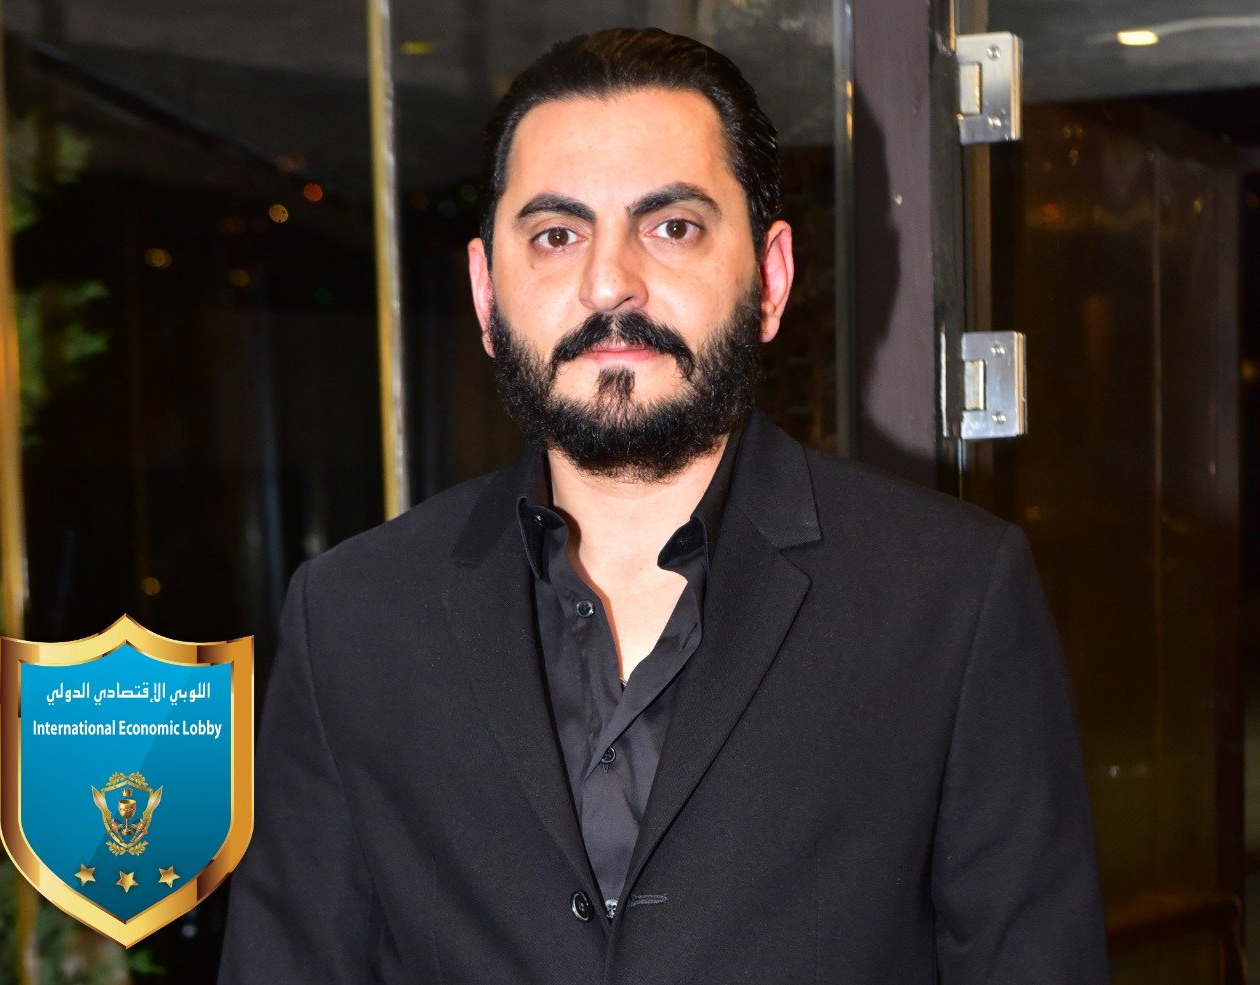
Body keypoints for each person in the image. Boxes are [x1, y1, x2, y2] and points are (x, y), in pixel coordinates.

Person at [219, 28, 1108, 984]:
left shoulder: (951, 597)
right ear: (485, 293)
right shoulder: (352, 616)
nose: (610, 282)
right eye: (557, 235)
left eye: (671, 226)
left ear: (769, 278)